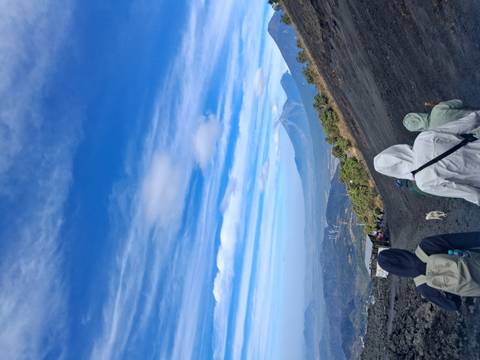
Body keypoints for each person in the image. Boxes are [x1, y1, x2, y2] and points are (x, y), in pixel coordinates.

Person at [374, 111, 480, 205]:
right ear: (397, 149)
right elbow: (471, 121)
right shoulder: (422, 139)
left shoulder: (423, 183)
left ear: (396, 173)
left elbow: (473, 194)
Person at [378, 232, 480, 311]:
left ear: (396, 271)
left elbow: (453, 306)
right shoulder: (426, 245)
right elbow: (467, 239)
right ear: (398, 251)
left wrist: (448, 287)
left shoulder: (423, 287)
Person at [403, 99, 473, 132]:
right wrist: (437, 105)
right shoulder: (437, 110)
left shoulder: (434, 134)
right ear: (419, 115)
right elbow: (460, 102)